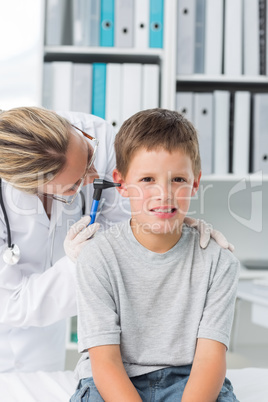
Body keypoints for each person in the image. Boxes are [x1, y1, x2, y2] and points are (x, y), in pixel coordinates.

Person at [0, 106, 232, 373]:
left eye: (88, 155)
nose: (95, 175)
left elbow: (131, 215)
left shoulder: (94, 133)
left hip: (48, 342)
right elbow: (12, 303)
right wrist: (78, 264)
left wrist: (176, 227)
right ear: (33, 187)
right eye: (73, 186)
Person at [71, 108, 240, 402]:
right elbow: (105, 361)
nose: (164, 193)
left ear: (195, 183)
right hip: (112, 380)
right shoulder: (97, 258)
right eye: (147, 179)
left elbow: (210, 360)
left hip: (188, 376)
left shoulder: (218, 261)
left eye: (178, 180)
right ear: (121, 184)